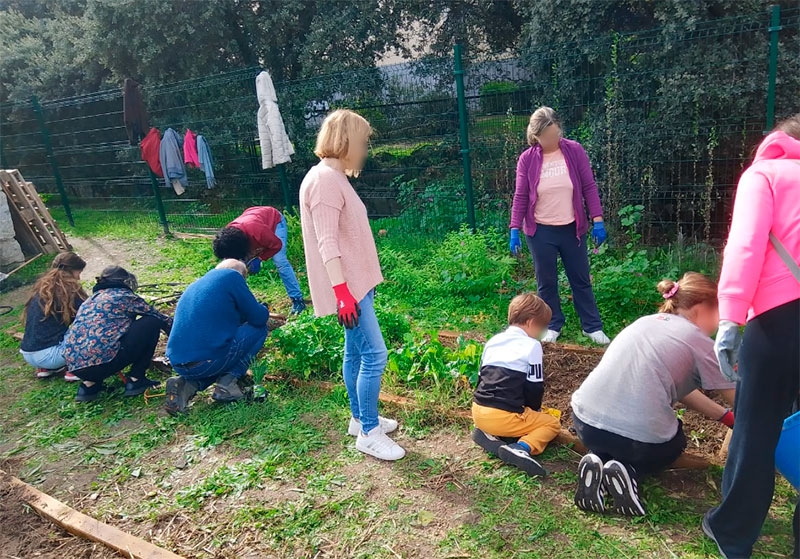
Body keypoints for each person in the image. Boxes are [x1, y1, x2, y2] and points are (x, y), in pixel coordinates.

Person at [703, 115, 800, 559]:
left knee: (756, 426)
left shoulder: (765, 174)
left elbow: (746, 244)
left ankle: (734, 532)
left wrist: (730, 318)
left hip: (780, 318)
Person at [570, 272, 736, 517]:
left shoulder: (646, 322)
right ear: (702, 308)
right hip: (638, 443)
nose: (718, 325)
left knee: (615, 437)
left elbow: (680, 389)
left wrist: (724, 417)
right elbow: (739, 399)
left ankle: (597, 460)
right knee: (675, 442)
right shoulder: (699, 341)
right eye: (719, 315)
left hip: (585, 424)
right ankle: (629, 471)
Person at [299, 109, 403, 461]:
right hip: (350, 290)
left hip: (356, 285)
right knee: (375, 354)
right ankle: (369, 433)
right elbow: (327, 241)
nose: (365, 148)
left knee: (355, 353)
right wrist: (343, 293)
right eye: (363, 142)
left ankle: (360, 420)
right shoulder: (325, 181)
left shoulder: (333, 177)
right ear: (346, 141)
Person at [509, 106, 610, 345]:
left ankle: (592, 327)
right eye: (547, 137)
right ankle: (553, 324)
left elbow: (588, 187)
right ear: (536, 137)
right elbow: (521, 195)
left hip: (572, 228)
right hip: (540, 231)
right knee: (547, 281)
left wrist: (598, 220)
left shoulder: (574, 151)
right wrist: (514, 229)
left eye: (556, 134)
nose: (553, 140)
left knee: (581, 278)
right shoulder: (527, 159)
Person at [471, 292, 561, 477]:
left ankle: (491, 435)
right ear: (531, 323)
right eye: (542, 328)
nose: (541, 334)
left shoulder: (493, 341)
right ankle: (521, 447)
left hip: (478, 411)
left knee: (507, 416)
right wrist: (533, 411)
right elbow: (534, 387)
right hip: (503, 416)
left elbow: (481, 378)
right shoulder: (532, 345)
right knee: (552, 424)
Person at [164, 259, 269, 415]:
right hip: (208, 361)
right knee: (259, 329)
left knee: (215, 353)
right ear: (242, 276)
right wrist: (263, 308)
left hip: (180, 363)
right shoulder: (232, 277)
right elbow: (258, 318)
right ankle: (228, 383)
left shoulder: (197, 285)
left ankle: (186, 384)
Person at [64, 266, 171, 402]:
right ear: (124, 282)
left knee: (96, 343)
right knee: (152, 322)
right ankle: (136, 378)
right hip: (104, 361)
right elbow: (161, 318)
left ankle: (89, 386)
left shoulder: (89, 301)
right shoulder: (123, 295)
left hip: (75, 367)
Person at [213, 206, 306, 315]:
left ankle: (297, 299)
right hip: (253, 219)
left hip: (274, 221)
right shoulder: (229, 238)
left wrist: (260, 258)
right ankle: (245, 304)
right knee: (236, 268)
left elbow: (277, 245)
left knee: (280, 260)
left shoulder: (257, 231)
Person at [19, 252, 88, 381]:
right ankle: (76, 368)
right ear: (72, 271)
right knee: (90, 328)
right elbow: (89, 313)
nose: (78, 278)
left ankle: (46, 368)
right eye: (78, 273)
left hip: (28, 354)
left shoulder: (42, 288)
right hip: (52, 356)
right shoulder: (70, 289)